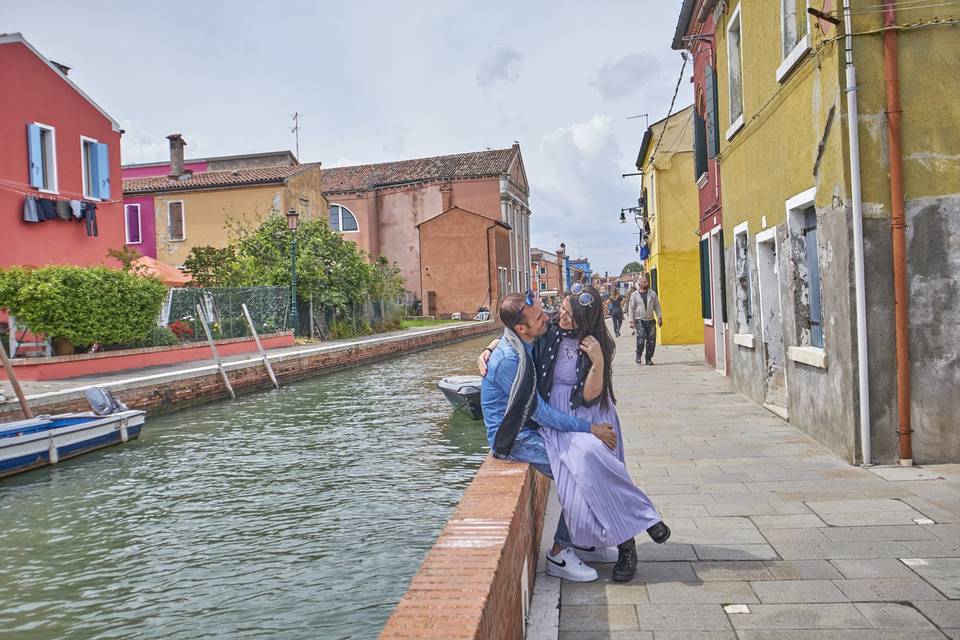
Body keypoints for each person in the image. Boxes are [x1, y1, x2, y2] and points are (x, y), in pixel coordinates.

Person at [480, 285, 670, 582]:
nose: (553, 317)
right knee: (579, 470)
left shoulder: (547, 336)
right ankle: (561, 550)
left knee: (594, 464)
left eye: (562, 313)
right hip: (518, 434)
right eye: (546, 314)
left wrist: (598, 361)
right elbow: (538, 409)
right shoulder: (521, 349)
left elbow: (590, 394)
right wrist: (492, 346)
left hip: (577, 413)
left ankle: (602, 539)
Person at [628, 276, 662, 365]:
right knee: (641, 338)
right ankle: (638, 355)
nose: (646, 283)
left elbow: (657, 306)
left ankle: (648, 358)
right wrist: (631, 321)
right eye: (644, 282)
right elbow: (631, 308)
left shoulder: (653, 294)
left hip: (650, 320)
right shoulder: (634, 295)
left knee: (651, 340)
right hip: (639, 320)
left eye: (646, 282)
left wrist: (659, 317)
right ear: (639, 284)